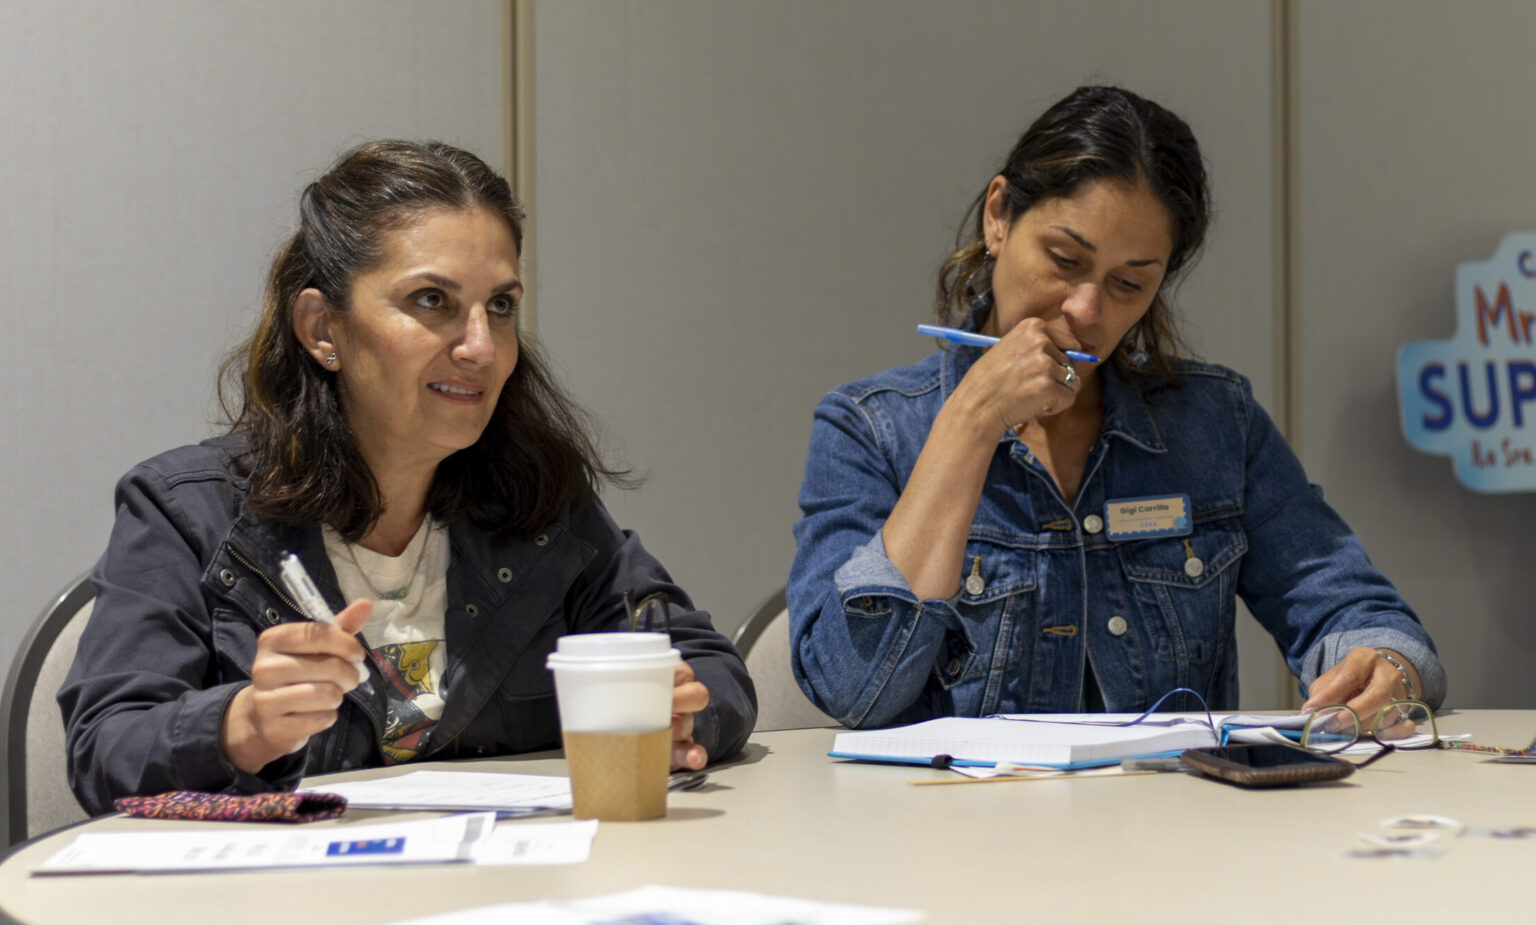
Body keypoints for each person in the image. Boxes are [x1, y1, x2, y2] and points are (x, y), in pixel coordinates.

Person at [61, 140, 756, 814]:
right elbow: (103, 746)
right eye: (432, 301)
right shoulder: (189, 512)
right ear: (321, 328)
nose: (481, 346)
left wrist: (686, 713)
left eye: (502, 306)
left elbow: (706, 663)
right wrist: (239, 725)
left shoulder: (538, 500)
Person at [786, 85, 1444, 729]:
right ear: (998, 216)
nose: (1086, 311)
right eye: (1064, 259)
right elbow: (852, 690)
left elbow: (1354, 609)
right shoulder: (869, 428)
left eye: (1129, 283)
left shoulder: (1215, 422)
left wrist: (1384, 665)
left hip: (1171, 826)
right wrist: (972, 419)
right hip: (953, 829)